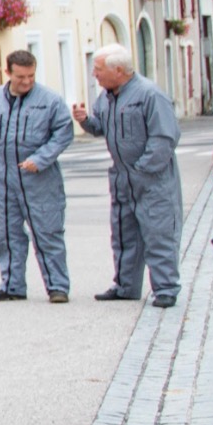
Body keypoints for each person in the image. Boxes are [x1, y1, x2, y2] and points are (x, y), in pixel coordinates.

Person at [73, 44, 182, 307]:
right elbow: (101, 127)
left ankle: (165, 289)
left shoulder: (150, 95)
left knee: (158, 234)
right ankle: (126, 286)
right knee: (124, 234)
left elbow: (164, 138)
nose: (94, 75)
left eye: (98, 69)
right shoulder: (106, 97)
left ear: (119, 70)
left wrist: (142, 170)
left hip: (153, 180)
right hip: (122, 178)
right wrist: (85, 120)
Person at [0, 49, 76, 302]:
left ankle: (57, 287)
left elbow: (64, 133)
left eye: (31, 76)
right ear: (7, 72)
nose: (27, 82)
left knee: (47, 233)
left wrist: (41, 159)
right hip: (3, 178)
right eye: (20, 77)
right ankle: (12, 285)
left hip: (40, 180)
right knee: (6, 234)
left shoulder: (50, 100)